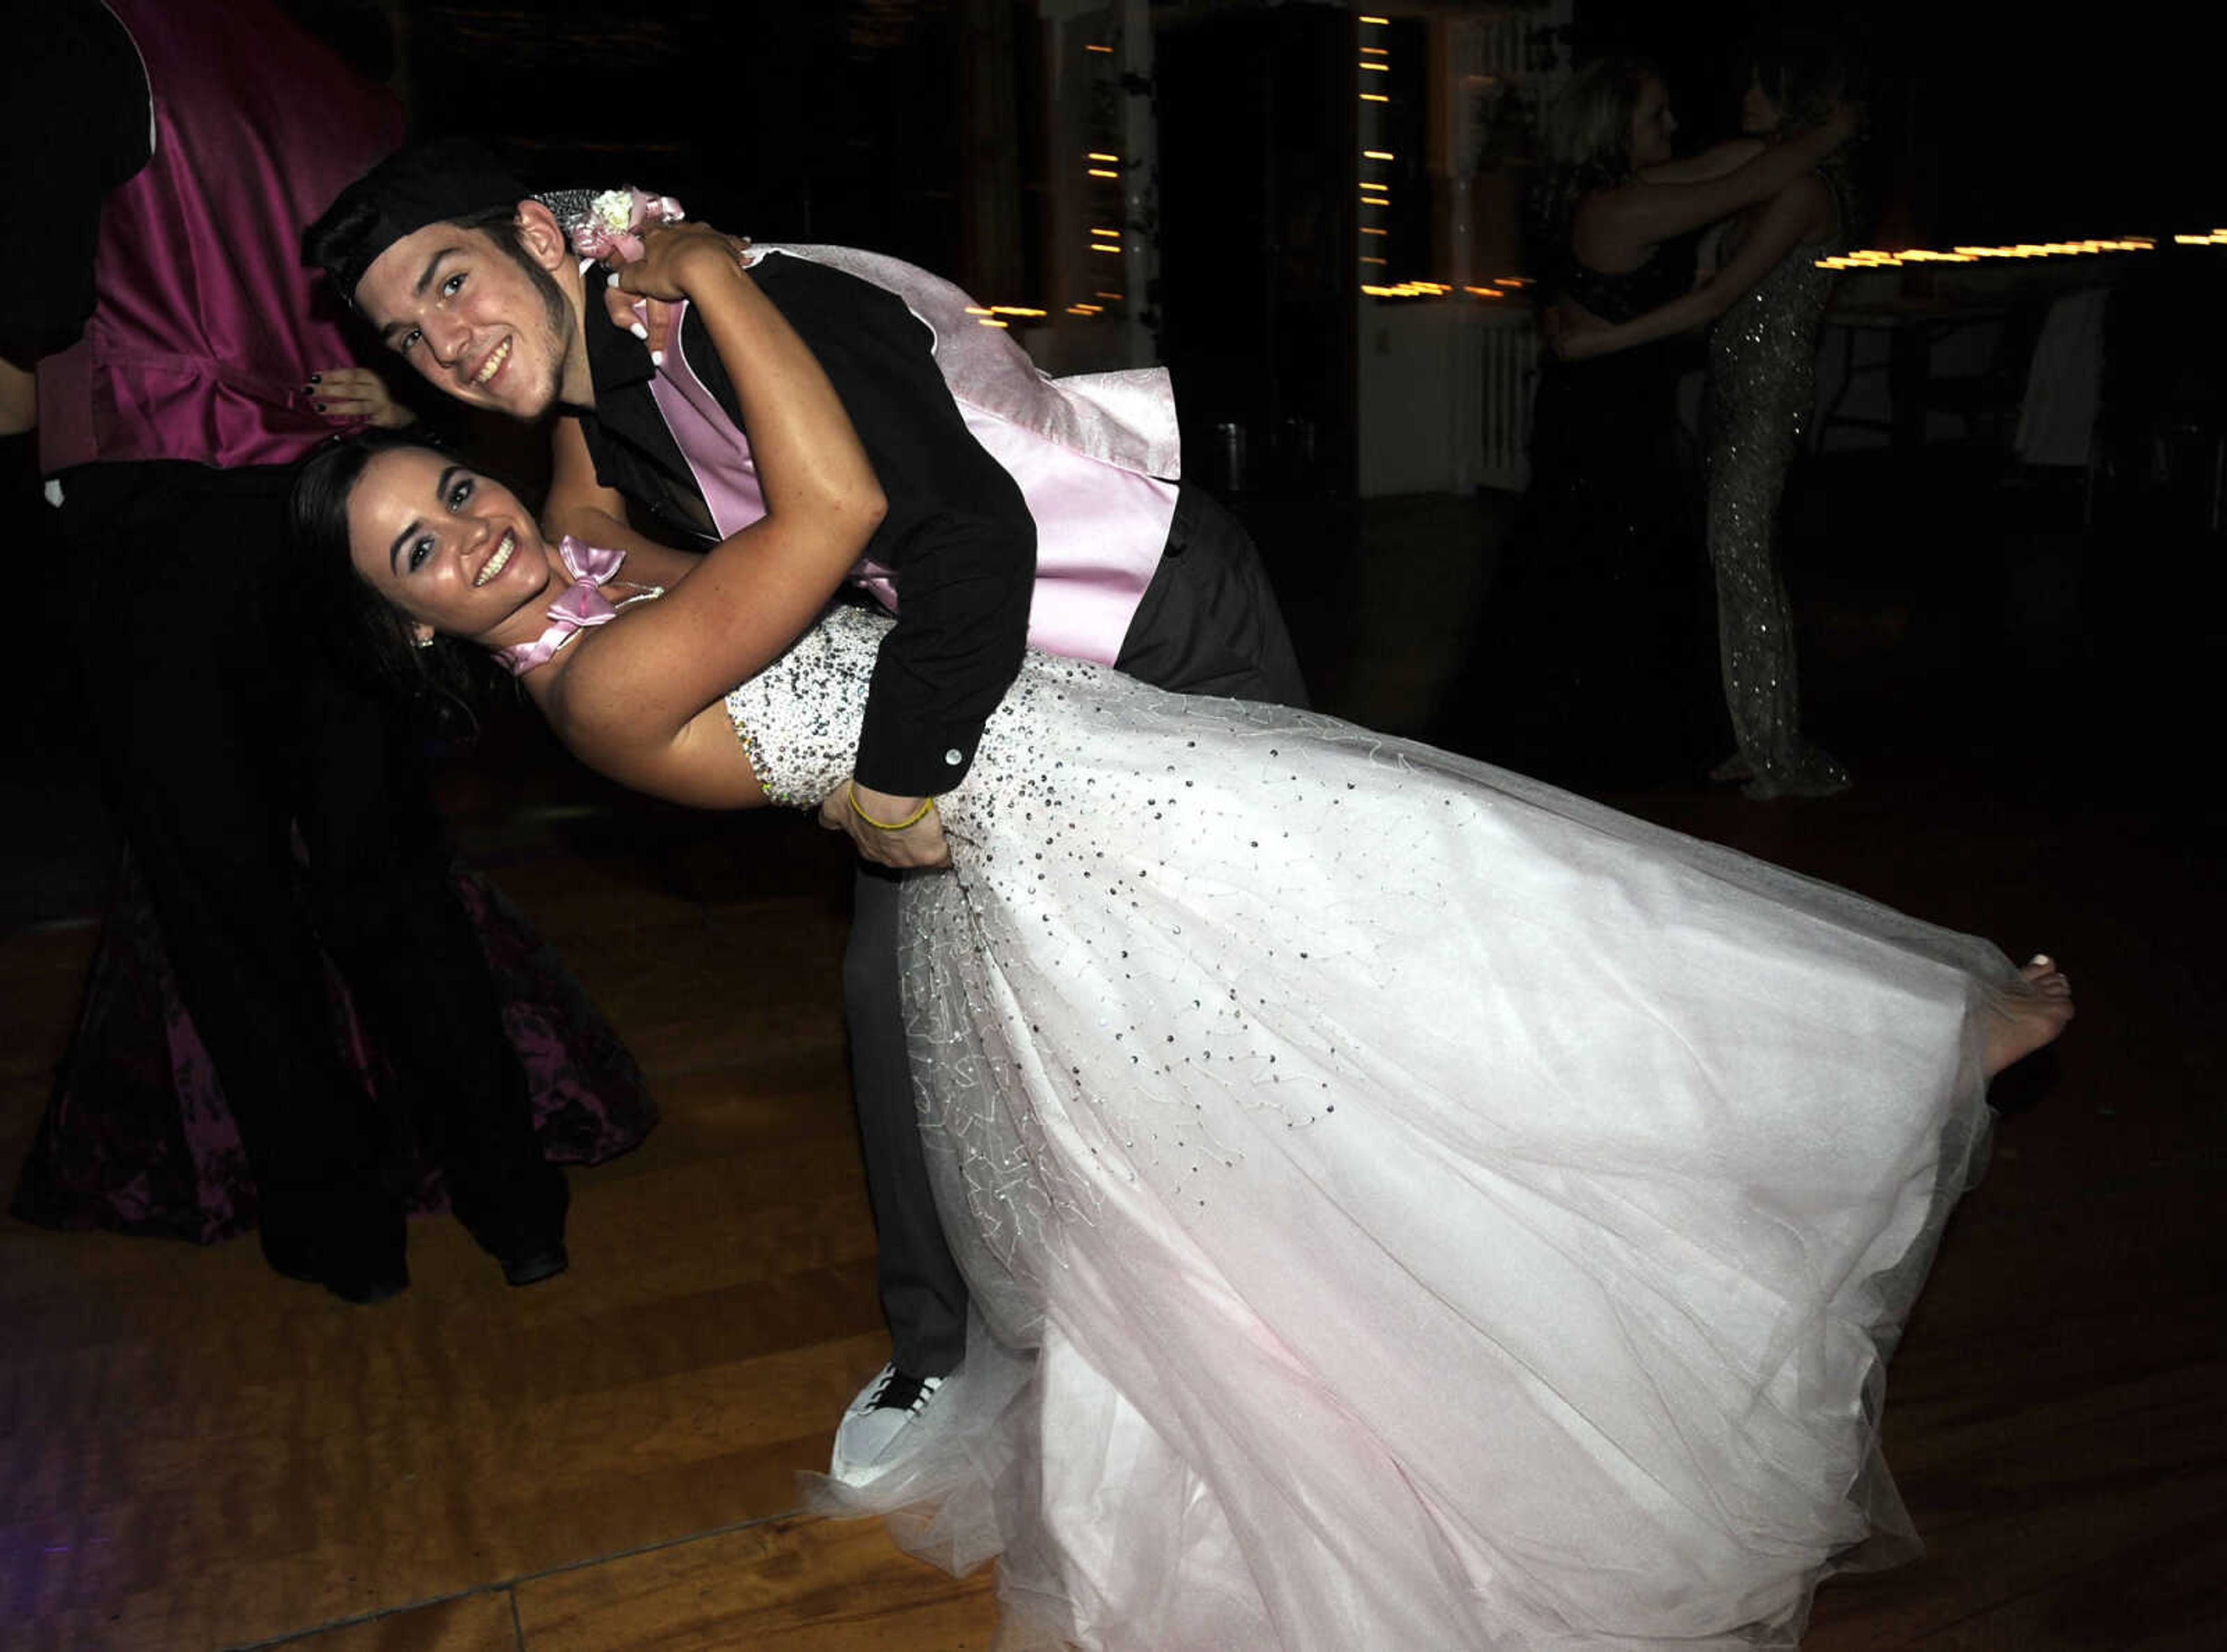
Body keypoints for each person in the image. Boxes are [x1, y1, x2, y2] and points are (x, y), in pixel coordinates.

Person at [295, 223, 2073, 1650]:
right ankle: (1878, 1054)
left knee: (1326, 1054)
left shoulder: (585, 577)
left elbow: (577, 492)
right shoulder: (605, 681)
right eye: (421, 561)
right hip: (1074, 826)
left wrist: (494, 365)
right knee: (1455, 900)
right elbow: (836, 516)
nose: (474, 530)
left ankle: (1854, 1061)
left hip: (1082, 765)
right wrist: (714, 271)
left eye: (448, 493)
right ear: (419, 640)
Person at [302, 146, 1307, 1478]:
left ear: (545, 243)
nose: (446, 342)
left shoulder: (733, 325)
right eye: (408, 335)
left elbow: (965, 541)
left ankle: (1287, 1307)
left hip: (1149, 616)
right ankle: (938, 1350)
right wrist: (541, 365)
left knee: (1258, 982)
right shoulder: (604, 381)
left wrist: (893, 784)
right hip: (988, 690)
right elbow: (590, 499)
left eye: (453, 284)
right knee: (896, 1004)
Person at [1, 0, 614, 1302]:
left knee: (223, 898)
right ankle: (514, 1197)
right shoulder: (330, 74)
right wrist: (394, 401)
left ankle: (343, 1226)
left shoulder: (76, 37)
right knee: (388, 870)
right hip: (342, 510)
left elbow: (35, 307)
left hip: (158, 510)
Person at [1445, 57, 1854, 791]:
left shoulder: (1627, 188)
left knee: (1608, 571)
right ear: (1615, 129)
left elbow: (1742, 163)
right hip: (1599, 415)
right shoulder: (1622, 208)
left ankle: (1602, 731)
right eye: (1655, 116)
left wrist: (1807, 132)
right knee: (1588, 570)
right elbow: (1747, 183)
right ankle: (1581, 740)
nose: (1673, 126)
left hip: (1614, 405)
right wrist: (1832, 129)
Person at [1558, 37, 1862, 799]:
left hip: (1766, 393)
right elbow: (1712, 177)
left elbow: (1720, 298)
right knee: (1729, 558)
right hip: (1731, 384)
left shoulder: (1800, 191)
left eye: (1762, 88)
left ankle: (1776, 752)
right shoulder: (1772, 176)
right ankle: (1752, 732)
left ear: (1795, 97)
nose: (1744, 99)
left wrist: (1600, 339)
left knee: (1742, 558)